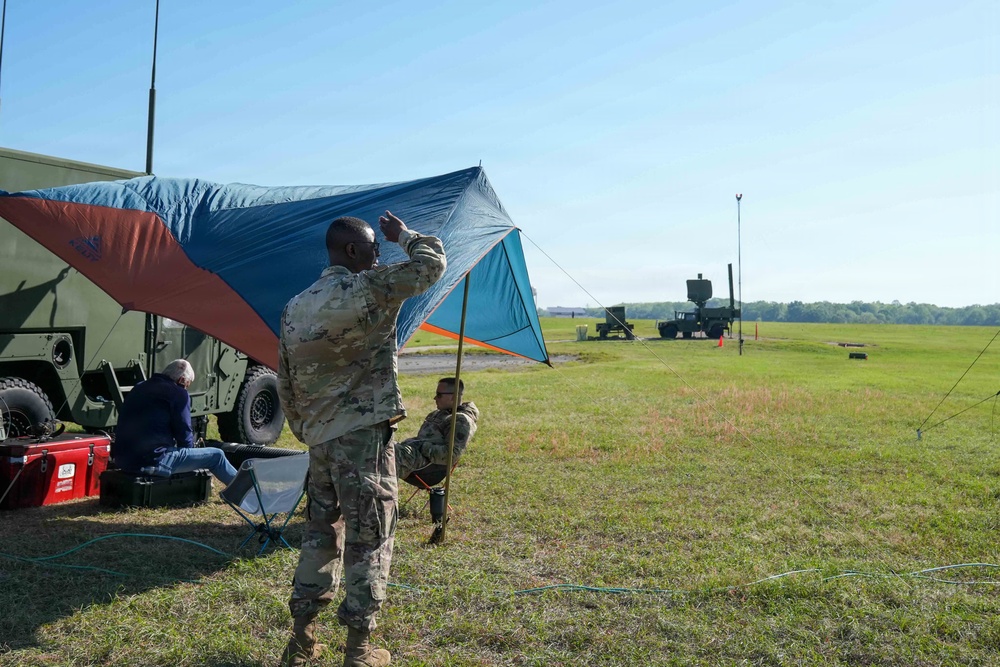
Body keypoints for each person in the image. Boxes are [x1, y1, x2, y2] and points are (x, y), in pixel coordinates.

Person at [277, 211, 446, 667]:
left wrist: (311, 430)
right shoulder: (368, 289)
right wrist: (404, 236)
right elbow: (431, 265)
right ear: (352, 251)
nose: (377, 259)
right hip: (363, 440)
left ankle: (301, 643)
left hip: (320, 444)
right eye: (373, 251)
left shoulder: (296, 305)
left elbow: (285, 382)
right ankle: (359, 652)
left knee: (319, 537)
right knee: (369, 539)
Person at [112, 359, 237, 485]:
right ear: (182, 380)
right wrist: (190, 453)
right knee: (217, 456)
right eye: (188, 384)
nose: (186, 388)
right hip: (151, 460)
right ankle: (248, 493)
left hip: (123, 460)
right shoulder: (178, 393)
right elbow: (184, 433)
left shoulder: (139, 386)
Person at [394, 377, 479, 481]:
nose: (435, 398)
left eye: (439, 395)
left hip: (428, 469)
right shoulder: (436, 414)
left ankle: (380, 495)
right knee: (378, 447)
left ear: (453, 397)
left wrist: (421, 446)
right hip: (414, 457)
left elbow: (450, 456)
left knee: (386, 455)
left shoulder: (460, 420)